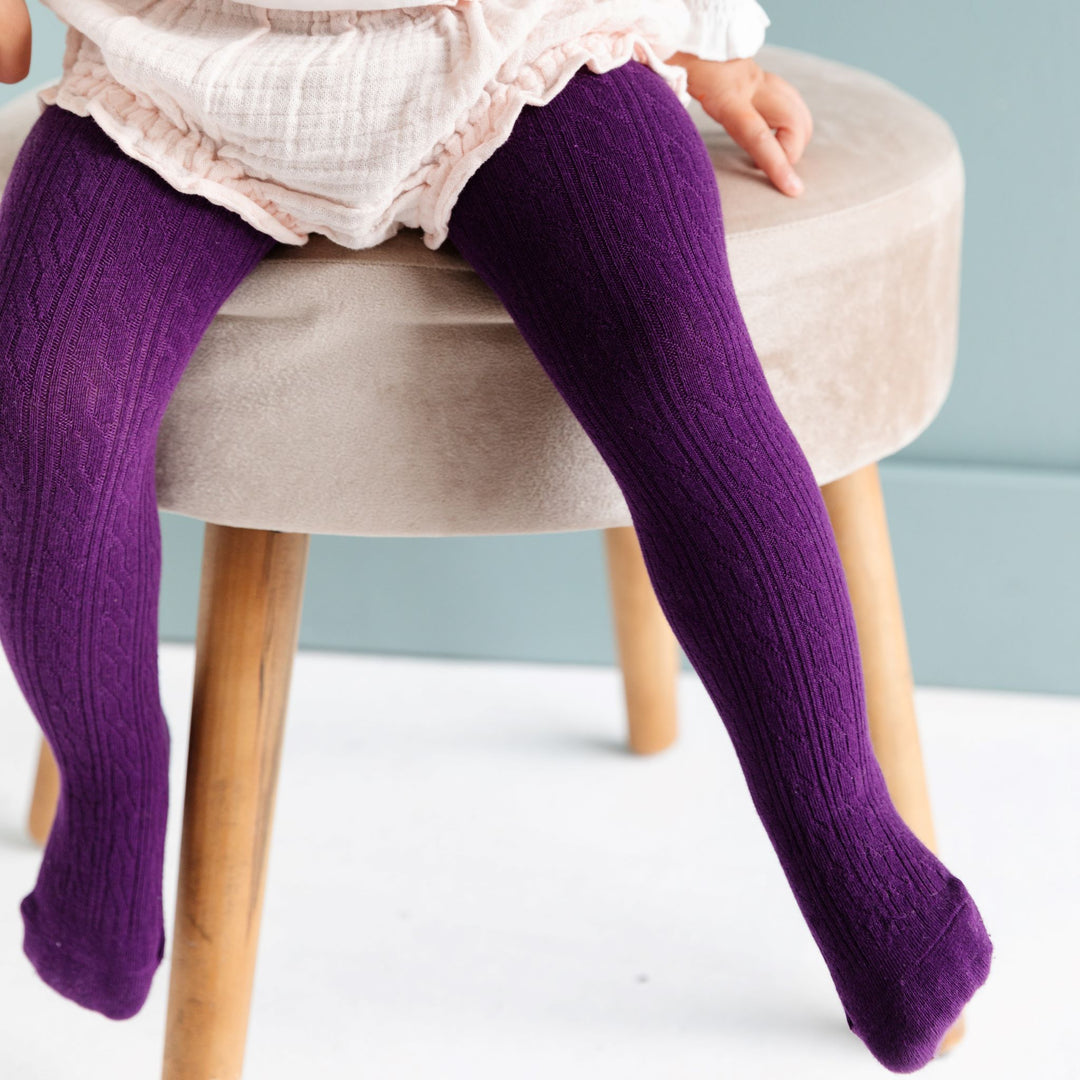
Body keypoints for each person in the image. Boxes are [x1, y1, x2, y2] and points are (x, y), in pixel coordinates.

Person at [0, 0, 991, 1071]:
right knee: (44, 416)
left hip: (511, 47)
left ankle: (845, 835)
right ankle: (109, 783)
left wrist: (708, 41)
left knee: (681, 368)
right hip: (175, 71)